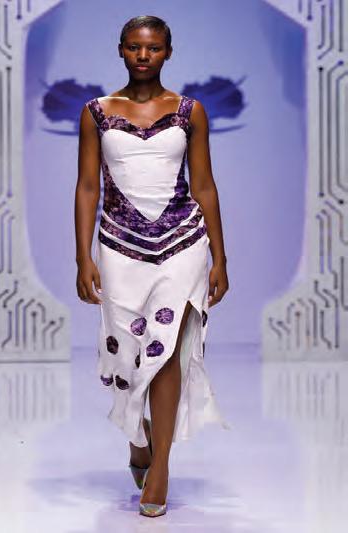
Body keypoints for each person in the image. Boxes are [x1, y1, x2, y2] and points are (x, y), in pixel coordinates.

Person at [74, 15, 230, 517]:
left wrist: (220, 256)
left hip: (183, 243)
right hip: (118, 247)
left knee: (166, 352)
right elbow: (88, 187)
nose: (144, 56)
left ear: (168, 52)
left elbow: (203, 185)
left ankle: (159, 466)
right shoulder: (97, 112)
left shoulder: (189, 111)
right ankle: (138, 437)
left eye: (154, 48)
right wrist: (82, 256)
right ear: (121, 50)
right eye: (135, 47)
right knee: (126, 356)